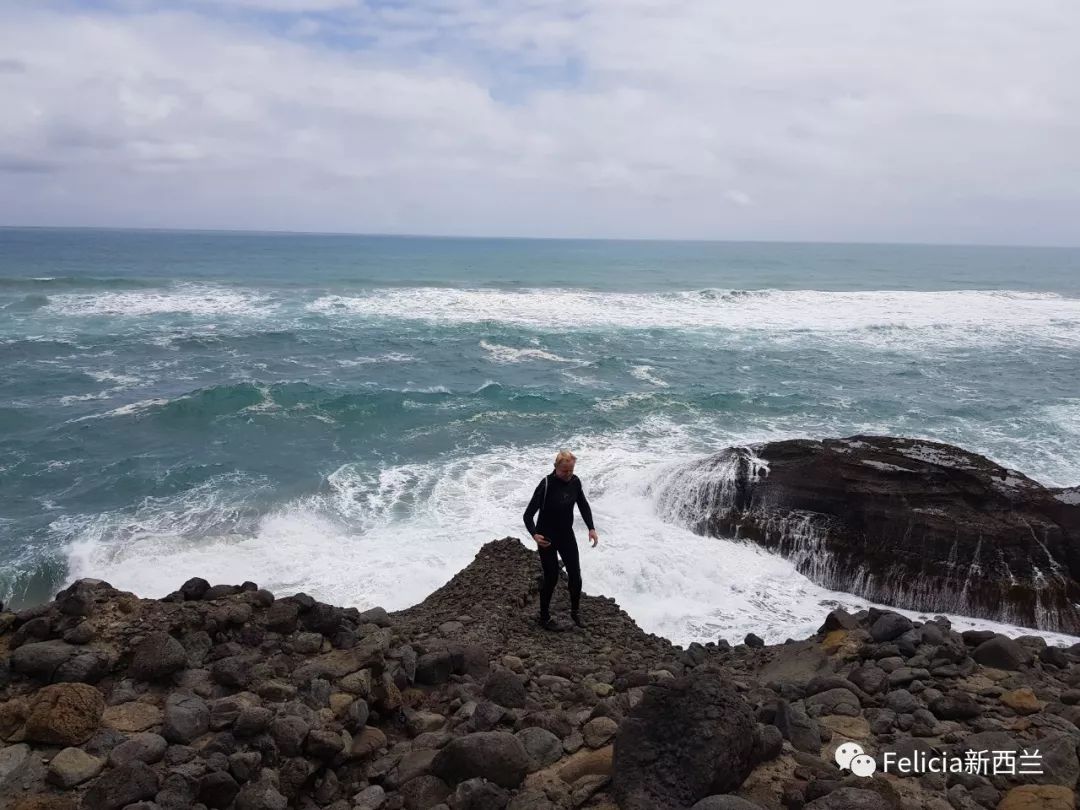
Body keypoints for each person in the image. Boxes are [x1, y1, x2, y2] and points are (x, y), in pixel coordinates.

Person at [522, 449, 599, 630]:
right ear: (556, 467)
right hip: (546, 538)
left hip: (566, 535)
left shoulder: (575, 482)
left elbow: (583, 505)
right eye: (565, 470)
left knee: (576, 576)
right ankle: (544, 617)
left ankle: (575, 612)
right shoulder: (546, 484)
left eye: (571, 470)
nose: (568, 474)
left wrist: (591, 528)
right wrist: (534, 535)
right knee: (552, 577)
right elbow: (527, 515)